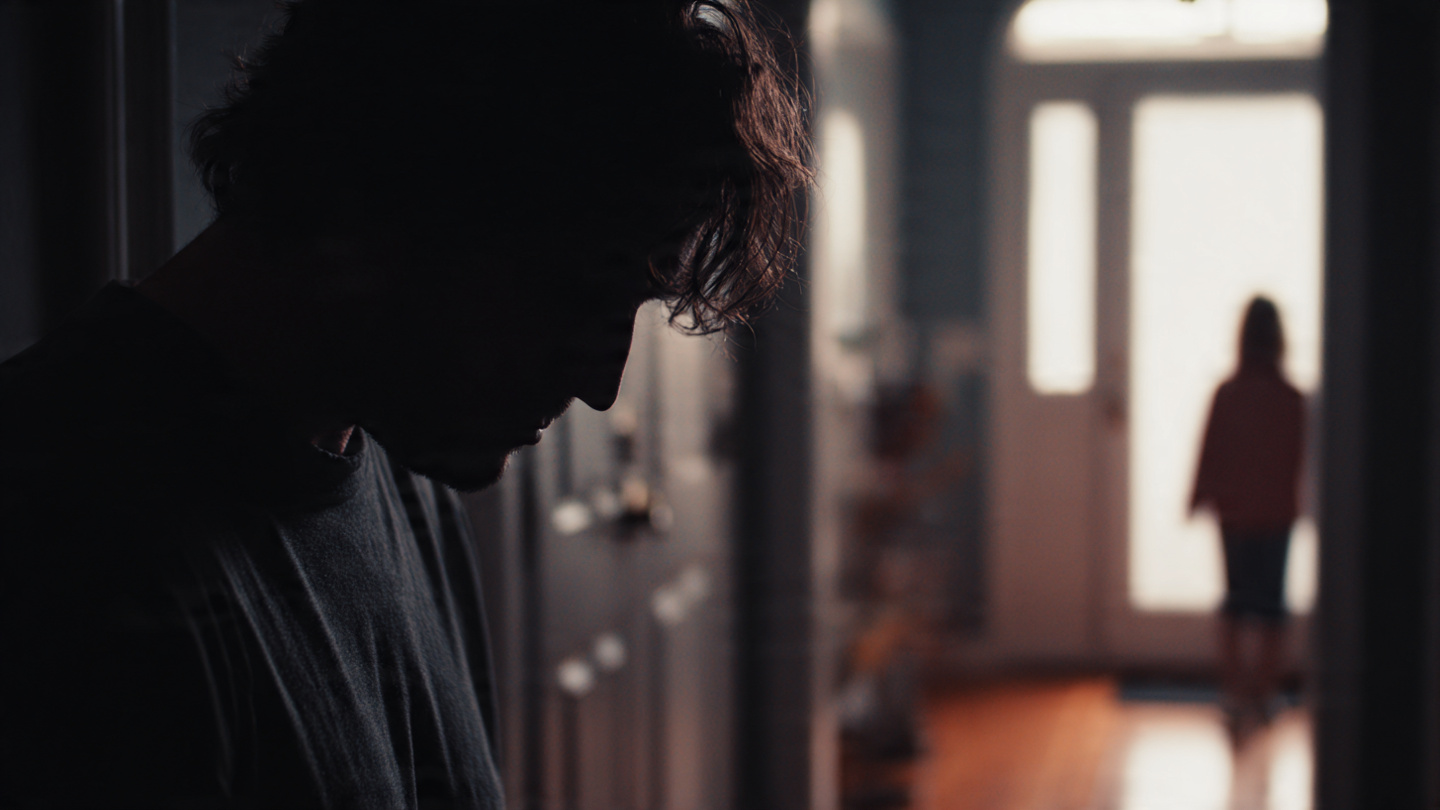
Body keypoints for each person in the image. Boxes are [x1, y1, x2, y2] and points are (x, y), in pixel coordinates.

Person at [0, 1, 811, 806]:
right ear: (394, 192)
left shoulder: (393, 466)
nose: (600, 385)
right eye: (571, 295)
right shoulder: (62, 548)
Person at [1189, 296, 1306, 741]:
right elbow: (1299, 460)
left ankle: (1237, 692)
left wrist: (1201, 494)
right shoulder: (1289, 397)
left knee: (1237, 602)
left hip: (1235, 511)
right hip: (1275, 512)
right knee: (1271, 606)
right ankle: (1264, 692)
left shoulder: (1230, 392)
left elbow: (1210, 448)